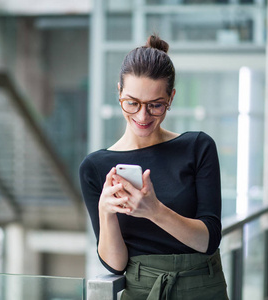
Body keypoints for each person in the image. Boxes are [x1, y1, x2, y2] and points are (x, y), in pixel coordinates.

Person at [79, 34, 228, 300]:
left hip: (203, 287)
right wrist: (106, 212)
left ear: (171, 98)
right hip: (141, 291)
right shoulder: (94, 167)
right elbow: (114, 265)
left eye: (155, 105)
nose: (142, 116)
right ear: (119, 93)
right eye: (132, 103)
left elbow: (208, 241)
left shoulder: (197, 147)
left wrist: (154, 210)